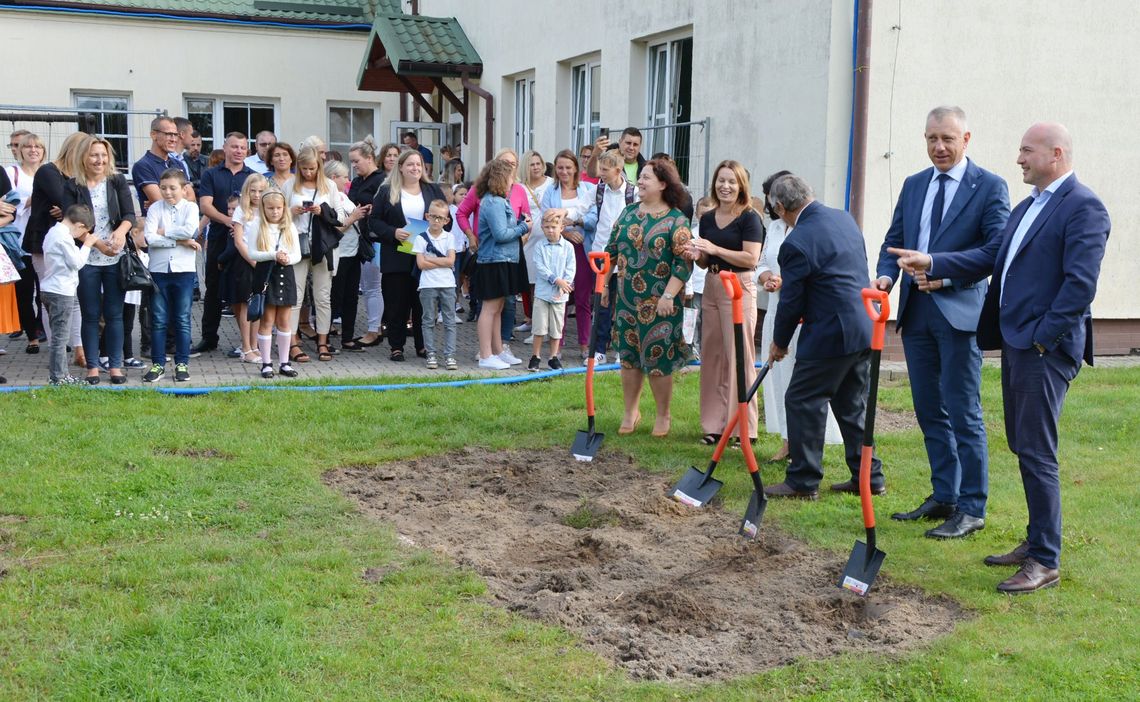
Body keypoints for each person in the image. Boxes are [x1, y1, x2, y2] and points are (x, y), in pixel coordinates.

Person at [889, 122, 1110, 594]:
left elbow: (1079, 286)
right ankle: (1035, 542)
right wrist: (935, 263)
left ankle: (1045, 560)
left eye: (1026, 151)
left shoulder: (1083, 206)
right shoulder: (1030, 205)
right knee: (1022, 444)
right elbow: (992, 259)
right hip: (1018, 342)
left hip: (1041, 348)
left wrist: (1041, 339)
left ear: (1056, 153)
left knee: (1036, 450)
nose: (1019, 159)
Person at [873, 106, 1011, 538]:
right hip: (916, 315)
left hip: (959, 315)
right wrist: (884, 277)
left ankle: (972, 507)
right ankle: (944, 496)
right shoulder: (915, 185)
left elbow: (995, 251)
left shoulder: (989, 186)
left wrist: (940, 268)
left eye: (948, 139)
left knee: (963, 411)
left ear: (966, 139)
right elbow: (894, 241)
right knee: (929, 409)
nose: (939, 147)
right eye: (932, 138)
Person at [762, 174, 883, 500]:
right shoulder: (843, 219)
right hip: (863, 325)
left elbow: (791, 302)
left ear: (780, 207)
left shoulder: (797, 242)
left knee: (802, 399)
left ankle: (803, 481)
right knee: (850, 404)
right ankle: (868, 477)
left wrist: (780, 342)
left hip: (831, 332)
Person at [755, 171, 843, 461]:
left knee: (801, 382)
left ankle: (808, 446)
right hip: (778, 309)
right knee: (780, 380)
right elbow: (762, 263)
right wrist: (768, 277)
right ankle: (788, 439)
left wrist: (788, 282)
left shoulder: (810, 226)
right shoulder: (776, 227)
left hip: (802, 315)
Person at [603, 158, 692, 437]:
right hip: (627, 300)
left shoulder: (677, 220)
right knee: (628, 357)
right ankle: (631, 411)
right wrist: (604, 285)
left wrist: (668, 296)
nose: (639, 182)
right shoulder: (629, 213)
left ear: (663, 184)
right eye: (640, 177)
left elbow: (684, 263)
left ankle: (663, 415)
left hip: (662, 303)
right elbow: (611, 251)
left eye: (646, 178)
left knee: (658, 359)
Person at [688, 160, 764, 446]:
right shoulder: (707, 219)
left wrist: (714, 248)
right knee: (714, 355)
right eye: (721, 180)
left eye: (732, 181)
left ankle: (744, 428)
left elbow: (751, 259)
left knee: (739, 357)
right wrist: (697, 255)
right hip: (712, 284)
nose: (725, 186)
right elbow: (707, 259)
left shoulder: (749, 218)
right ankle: (715, 425)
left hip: (739, 288)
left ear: (741, 185)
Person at [61, 135, 136, 385]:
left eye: (103, 155)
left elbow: (129, 215)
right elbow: (71, 224)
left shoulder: (117, 181)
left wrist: (121, 232)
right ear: (83, 156)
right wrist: (98, 244)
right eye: (94, 155)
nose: (99, 160)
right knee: (90, 314)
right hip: (86, 259)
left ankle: (115, 366)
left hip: (115, 257)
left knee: (115, 314)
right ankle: (92, 367)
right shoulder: (72, 186)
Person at [368, 149, 448, 362]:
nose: (415, 168)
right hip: (397, 253)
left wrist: (436, 225)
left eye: (419, 165)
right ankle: (396, 345)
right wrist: (393, 232)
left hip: (425, 254)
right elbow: (373, 221)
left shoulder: (432, 190)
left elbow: (446, 217)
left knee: (423, 303)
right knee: (397, 303)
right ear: (400, 167)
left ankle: (423, 346)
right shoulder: (387, 191)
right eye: (410, 164)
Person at [454, 149, 533, 362]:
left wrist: (519, 224)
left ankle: (498, 351)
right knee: (489, 308)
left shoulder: (498, 200)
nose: (512, 182)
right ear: (500, 179)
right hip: (493, 260)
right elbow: (501, 234)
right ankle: (486, 354)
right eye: (509, 177)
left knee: (498, 307)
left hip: (504, 259)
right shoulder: (494, 201)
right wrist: (523, 228)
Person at [285, 146, 360, 363]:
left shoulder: (328, 185)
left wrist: (321, 211)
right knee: (295, 297)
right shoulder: (290, 184)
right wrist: (293, 211)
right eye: (304, 169)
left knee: (323, 296)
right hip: (297, 243)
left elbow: (338, 217)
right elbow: (279, 216)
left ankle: (323, 341)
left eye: (312, 169)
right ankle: (292, 343)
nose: (308, 173)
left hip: (323, 245)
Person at [24, 132, 88, 368]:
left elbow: (81, 208)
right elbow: (66, 200)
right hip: (44, 243)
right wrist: (70, 208)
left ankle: (78, 348)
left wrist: (69, 210)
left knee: (73, 297)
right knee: (50, 297)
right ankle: (57, 351)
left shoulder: (76, 176)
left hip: (69, 241)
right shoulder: (48, 171)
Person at [191, 132, 253, 356]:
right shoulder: (211, 175)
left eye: (243, 148)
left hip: (246, 240)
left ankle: (247, 344)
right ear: (225, 148)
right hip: (218, 237)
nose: (238, 151)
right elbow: (206, 206)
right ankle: (209, 338)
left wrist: (240, 226)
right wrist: (230, 221)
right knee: (214, 289)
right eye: (234, 147)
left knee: (244, 292)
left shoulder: (253, 177)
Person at [141, 169, 200, 383]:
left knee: (182, 318)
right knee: (158, 319)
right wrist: (180, 241)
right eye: (163, 188)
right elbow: (149, 238)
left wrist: (164, 232)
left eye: (172, 188)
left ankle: (182, 363)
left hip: (183, 270)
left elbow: (190, 231)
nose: (167, 192)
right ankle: (158, 364)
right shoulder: (155, 208)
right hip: (158, 270)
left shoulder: (191, 207)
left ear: (184, 189)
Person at [538, 150, 598, 361]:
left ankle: (584, 344)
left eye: (568, 167)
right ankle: (558, 344)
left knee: (582, 298)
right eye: (560, 167)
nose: (564, 171)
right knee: (559, 297)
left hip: (582, 248)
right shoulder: (550, 192)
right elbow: (545, 218)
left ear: (576, 169)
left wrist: (578, 223)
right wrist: (565, 232)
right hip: (558, 249)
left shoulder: (588, 189)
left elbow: (593, 216)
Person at [38, 204, 96, 385]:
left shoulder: (52, 232)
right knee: (60, 338)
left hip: (50, 288)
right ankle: (58, 377)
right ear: (79, 225)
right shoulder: (64, 237)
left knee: (59, 336)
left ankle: (61, 375)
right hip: (60, 291)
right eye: (83, 232)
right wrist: (87, 245)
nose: (81, 236)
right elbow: (77, 263)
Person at [590, 149, 638, 363]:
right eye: (600, 168)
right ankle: (599, 349)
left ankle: (622, 349)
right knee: (602, 304)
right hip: (602, 256)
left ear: (618, 170)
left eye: (605, 169)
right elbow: (582, 208)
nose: (601, 173)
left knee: (624, 305)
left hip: (625, 258)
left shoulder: (633, 193)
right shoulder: (598, 191)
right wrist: (566, 215)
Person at [248, 188, 302, 379]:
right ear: (263, 208)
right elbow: (252, 253)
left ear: (284, 208)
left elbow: (298, 253)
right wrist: (273, 255)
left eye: (279, 208)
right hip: (266, 274)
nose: (275, 212)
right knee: (267, 320)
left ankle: (285, 363)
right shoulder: (256, 225)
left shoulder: (289, 226)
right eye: (271, 208)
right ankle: (266, 363)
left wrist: (288, 259)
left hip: (285, 274)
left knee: (284, 321)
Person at [6, 133, 46, 353]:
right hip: (19, 241)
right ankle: (32, 336)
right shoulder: (12, 173)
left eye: (38, 147)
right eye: (28, 146)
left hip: (43, 242)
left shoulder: (49, 172)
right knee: (23, 292)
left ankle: (46, 330)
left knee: (45, 292)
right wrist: (33, 199)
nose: (33, 150)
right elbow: (8, 203)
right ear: (19, 150)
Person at [324, 159, 371, 351]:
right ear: (333, 178)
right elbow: (333, 230)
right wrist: (354, 217)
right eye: (344, 176)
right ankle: (324, 339)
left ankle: (348, 338)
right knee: (333, 298)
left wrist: (364, 213)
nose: (347, 180)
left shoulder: (344, 196)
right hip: (337, 254)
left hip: (353, 253)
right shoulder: (326, 198)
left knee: (351, 297)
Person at [347, 138, 386, 348]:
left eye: (356, 161)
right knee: (369, 286)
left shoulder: (382, 180)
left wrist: (372, 209)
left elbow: (388, 205)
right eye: (351, 162)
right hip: (360, 238)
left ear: (369, 158)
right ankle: (375, 327)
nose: (354, 165)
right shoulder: (357, 181)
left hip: (375, 239)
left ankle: (374, 330)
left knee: (373, 287)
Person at [227, 174, 269, 364]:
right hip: (245, 261)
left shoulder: (267, 210)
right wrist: (253, 261)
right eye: (253, 191)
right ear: (246, 191)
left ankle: (255, 345)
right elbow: (238, 241)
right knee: (244, 305)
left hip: (263, 260)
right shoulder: (241, 211)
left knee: (258, 304)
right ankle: (245, 347)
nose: (257, 195)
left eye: (261, 191)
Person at [413, 199, 457, 370]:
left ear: (446, 220)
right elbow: (421, 264)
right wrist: (443, 261)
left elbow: (451, 260)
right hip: (427, 285)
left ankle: (450, 355)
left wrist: (431, 259)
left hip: (447, 284)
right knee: (428, 320)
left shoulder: (450, 237)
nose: (436, 221)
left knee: (449, 321)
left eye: (440, 218)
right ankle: (431, 353)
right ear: (427, 217)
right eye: (433, 217)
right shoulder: (420, 238)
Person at [529, 209, 575, 371]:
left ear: (561, 228)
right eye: (547, 227)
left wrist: (565, 285)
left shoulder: (568, 247)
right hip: (542, 293)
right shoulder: (540, 246)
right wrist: (557, 280)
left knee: (556, 328)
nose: (550, 230)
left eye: (554, 227)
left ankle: (553, 357)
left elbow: (571, 268)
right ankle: (535, 356)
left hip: (559, 295)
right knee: (539, 327)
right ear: (542, 228)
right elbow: (540, 267)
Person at [132, 116, 193, 212]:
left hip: (181, 225)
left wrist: (167, 201)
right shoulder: (143, 165)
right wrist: (181, 198)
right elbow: (160, 202)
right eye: (168, 134)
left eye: (175, 134)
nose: (174, 139)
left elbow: (192, 198)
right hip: (158, 226)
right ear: (153, 135)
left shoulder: (178, 164)